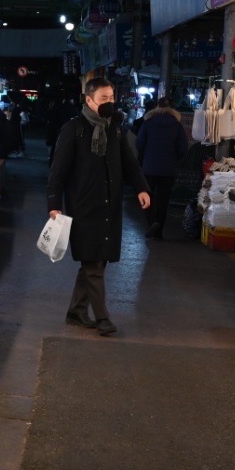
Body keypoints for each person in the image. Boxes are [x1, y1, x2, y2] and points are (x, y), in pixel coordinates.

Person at [47, 77, 149, 335]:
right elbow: (57, 170)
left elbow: (129, 163)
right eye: (104, 99)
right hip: (83, 207)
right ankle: (102, 318)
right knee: (93, 262)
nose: (109, 103)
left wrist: (141, 188)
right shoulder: (74, 128)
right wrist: (54, 203)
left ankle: (77, 311)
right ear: (89, 100)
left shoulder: (115, 128)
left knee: (96, 261)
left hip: (110, 206)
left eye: (112, 98)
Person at [134, 96, 188, 239]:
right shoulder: (177, 126)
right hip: (168, 169)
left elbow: (139, 143)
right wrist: (174, 159)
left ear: (157, 107)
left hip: (149, 167)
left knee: (147, 197)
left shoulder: (148, 123)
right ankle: (159, 231)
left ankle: (152, 222)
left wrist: (144, 158)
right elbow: (183, 147)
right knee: (163, 200)